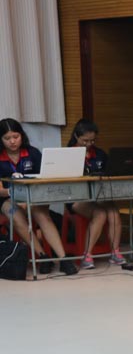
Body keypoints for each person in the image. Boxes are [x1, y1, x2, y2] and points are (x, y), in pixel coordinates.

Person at [0, 118, 78, 275]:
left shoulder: (32, 153)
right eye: (7, 138)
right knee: (16, 215)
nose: (12, 141)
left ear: (22, 135)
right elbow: (1, 191)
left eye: (15, 137)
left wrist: (29, 199)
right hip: (7, 199)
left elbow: (45, 178)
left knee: (41, 214)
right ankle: (43, 255)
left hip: (34, 197)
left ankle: (63, 259)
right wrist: (17, 195)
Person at [67, 119, 125, 268]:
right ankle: (87, 255)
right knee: (100, 214)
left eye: (92, 141)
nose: (88, 144)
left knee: (113, 212)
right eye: (85, 141)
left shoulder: (99, 154)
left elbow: (110, 172)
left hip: (99, 196)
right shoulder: (68, 154)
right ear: (76, 136)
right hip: (76, 199)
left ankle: (115, 252)